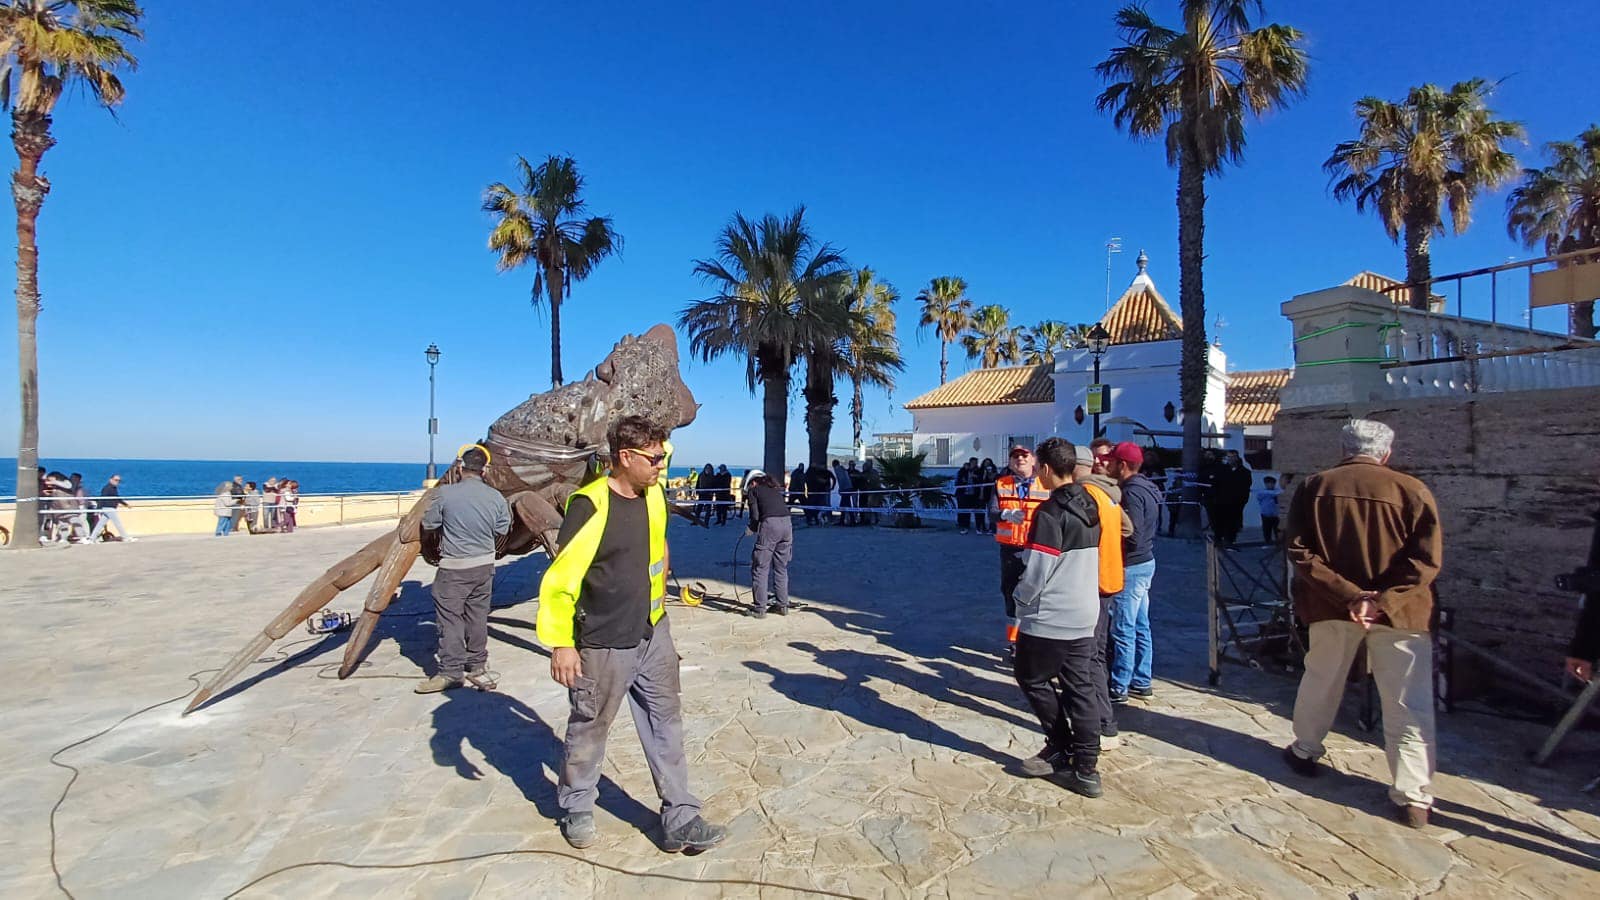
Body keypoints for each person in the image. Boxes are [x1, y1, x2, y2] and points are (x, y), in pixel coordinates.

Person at [537, 415, 726, 853]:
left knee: (667, 725)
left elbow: (657, 539)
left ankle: (681, 817)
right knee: (590, 727)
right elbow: (560, 581)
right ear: (625, 458)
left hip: (653, 632)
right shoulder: (589, 506)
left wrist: (660, 576)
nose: (662, 464)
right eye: (654, 458)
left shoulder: (654, 493)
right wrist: (562, 643)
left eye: (663, 455)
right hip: (602, 641)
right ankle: (577, 805)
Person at [1283, 419, 1442, 829]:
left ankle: (1304, 749)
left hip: (1333, 607)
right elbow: (1425, 561)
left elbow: (1300, 552)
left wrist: (1352, 596)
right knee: (1409, 702)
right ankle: (1413, 795)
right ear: (1386, 453)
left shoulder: (1315, 487)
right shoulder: (1413, 490)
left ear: (1343, 448)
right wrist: (1382, 600)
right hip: (1402, 613)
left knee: (1321, 680)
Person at [1009, 437, 1107, 798]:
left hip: (1052, 616)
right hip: (1085, 612)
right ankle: (1086, 767)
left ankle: (1061, 744)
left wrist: (1020, 599)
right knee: (1080, 688)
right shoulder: (1092, 504)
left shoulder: (1050, 513)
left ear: (1047, 469)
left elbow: (1038, 568)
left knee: (1031, 677)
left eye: (1038, 468)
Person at [415, 445, 512, 693]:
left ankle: (451, 672)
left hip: (454, 568)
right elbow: (503, 528)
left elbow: (429, 523)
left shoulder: (445, 494)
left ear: (460, 467)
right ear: (485, 470)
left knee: (450, 619)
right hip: (485, 567)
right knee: (478, 616)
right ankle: (477, 664)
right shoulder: (496, 497)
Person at [1073, 444, 1128, 751]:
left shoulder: (1086, 495)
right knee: (1097, 651)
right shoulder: (1108, 494)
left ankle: (1102, 724)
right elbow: (1127, 529)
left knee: (1089, 655)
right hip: (1108, 579)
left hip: (1091, 583)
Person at [1102, 442, 1161, 704]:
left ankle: (1120, 685)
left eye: (1112, 462)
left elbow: (1132, 532)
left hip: (1133, 566)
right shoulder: (1147, 487)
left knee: (1123, 626)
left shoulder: (1132, 493)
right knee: (1140, 624)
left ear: (1122, 465)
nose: (1107, 465)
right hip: (1146, 562)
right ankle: (1141, 679)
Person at [990, 446, 1045, 655]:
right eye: (1015, 456)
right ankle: (1014, 644)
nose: (1019, 459)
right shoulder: (1001, 484)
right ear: (1010, 462)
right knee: (1011, 594)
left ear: (1033, 460)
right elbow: (992, 512)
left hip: (1038, 548)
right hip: (1011, 550)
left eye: (1024, 455)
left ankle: (1035, 641)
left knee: (1037, 596)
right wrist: (1005, 513)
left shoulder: (1045, 483)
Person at [744, 470, 793, 617]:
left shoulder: (754, 491)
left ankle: (760, 609)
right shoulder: (773, 489)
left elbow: (755, 515)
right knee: (781, 568)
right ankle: (782, 605)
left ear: (753, 482)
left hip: (770, 526)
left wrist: (751, 528)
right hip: (787, 524)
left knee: (760, 567)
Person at [1213, 451, 1253, 546]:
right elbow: (1215, 484)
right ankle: (1218, 539)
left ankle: (1230, 540)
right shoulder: (1221, 470)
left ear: (1237, 458)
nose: (1231, 459)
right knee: (1219, 521)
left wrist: (1242, 500)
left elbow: (1246, 486)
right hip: (1221, 501)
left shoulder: (1245, 472)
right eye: (1229, 457)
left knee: (1233, 522)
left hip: (1236, 502)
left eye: (1233, 457)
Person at [89, 474, 136, 542]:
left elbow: (116, 498)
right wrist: (98, 509)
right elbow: (102, 498)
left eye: (119, 481)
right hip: (108, 508)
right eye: (116, 480)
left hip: (109, 508)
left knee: (100, 524)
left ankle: (92, 538)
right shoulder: (107, 488)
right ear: (110, 480)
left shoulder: (113, 488)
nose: (117, 482)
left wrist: (125, 504)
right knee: (118, 523)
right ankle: (126, 537)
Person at [805, 461, 834, 526]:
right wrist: (824, 482)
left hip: (817, 491)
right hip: (815, 491)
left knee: (819, 505)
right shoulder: (812, 472)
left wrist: (831, 486)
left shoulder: (813, 472)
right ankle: (816, 519)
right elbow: (816, 479)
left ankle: (816, 519)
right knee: (816, 505)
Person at [954, 458, 979, 534]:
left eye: (975, 462)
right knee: (962, 509)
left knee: (969, 509)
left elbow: (980, 479)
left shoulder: (977, 471)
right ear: (970, 462)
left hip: (972, 493)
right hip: (962, 493)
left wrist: (976, 477)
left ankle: (967, 525)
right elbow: (958, 481)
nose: (974, 464)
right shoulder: (963, 470)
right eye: (973, 462)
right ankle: (961, 524)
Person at [1256, 476, 1283, 543]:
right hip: (1265, 515)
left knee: (1277, 530)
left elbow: (1280, 493)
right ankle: (1268, 542)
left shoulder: (1278, 491)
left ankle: (1279, 542)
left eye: (1271, 483)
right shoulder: (1262, 492)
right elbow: (1263, 494)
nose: (1270, 485)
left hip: (1276, 515)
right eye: (1267, 483)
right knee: (1266, 530)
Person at [831, 459, 854, 526]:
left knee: (845, 505)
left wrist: (841, 489)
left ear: (834, 465)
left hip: (846, 489)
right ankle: (846, 520)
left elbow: (842, 479)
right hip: (848, 488)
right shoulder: (842, 469)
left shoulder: (838, 470)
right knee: (845, 505)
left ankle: (848, 521)